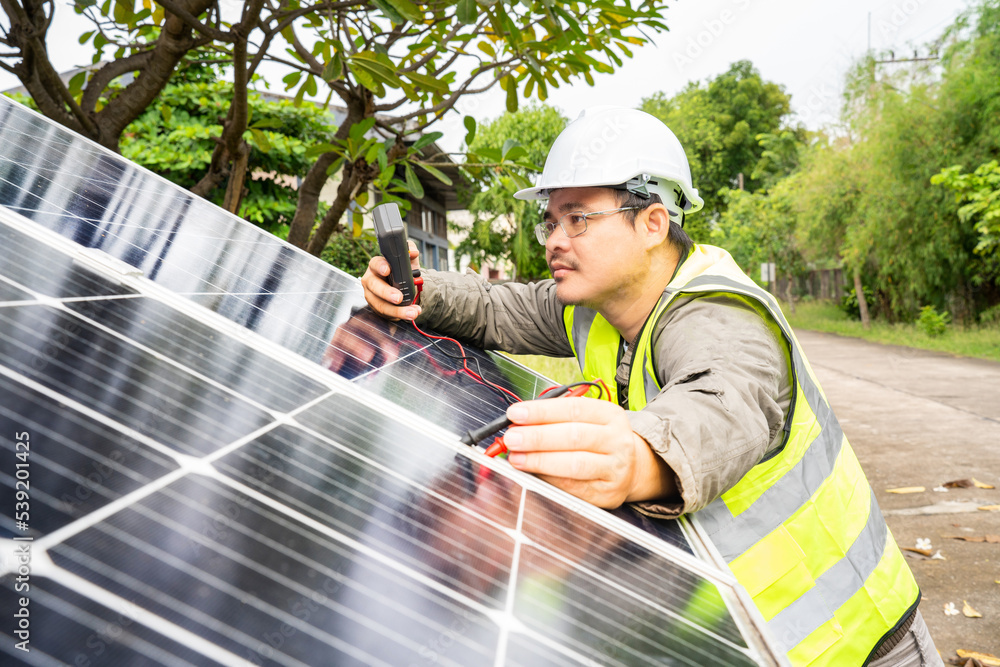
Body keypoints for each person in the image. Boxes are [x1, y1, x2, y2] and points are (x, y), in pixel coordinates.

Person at [360, 107, 941, 666]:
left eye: (579, 218)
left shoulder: (718, 313)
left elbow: (725, 405)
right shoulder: (593, 306)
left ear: (652, 222)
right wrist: (415, 290)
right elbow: (496, 305)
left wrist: (641, 457)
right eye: (552, 220)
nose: (554, 240)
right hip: (747, 646)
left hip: (860, 643)